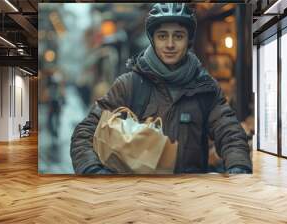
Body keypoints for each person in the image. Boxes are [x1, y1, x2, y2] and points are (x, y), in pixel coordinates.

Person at [70, 3, 252, 174]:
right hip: (138, 197)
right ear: (153, 40)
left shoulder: (205, 88)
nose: (170, 44)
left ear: (188, 40)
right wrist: (94, 172)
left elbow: (230, 133)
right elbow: (84, 133)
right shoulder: (130, 85)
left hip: (189, 197)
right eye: (162, 36)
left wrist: (239, 167)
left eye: (178, 36)